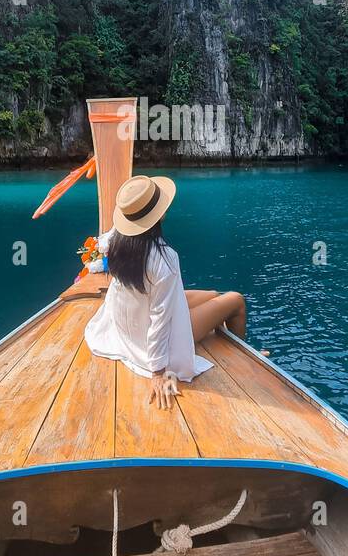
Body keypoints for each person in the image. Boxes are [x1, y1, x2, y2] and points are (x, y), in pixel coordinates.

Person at [84, 174, 247, 409]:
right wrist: (158, 372)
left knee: (213, 293)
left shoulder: (114, 240)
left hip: (128, 327)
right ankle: (241, 363)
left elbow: (102, 245)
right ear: (159, 214)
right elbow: (160, 320)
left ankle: (222, 338)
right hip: (154, 334)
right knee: (235, 300)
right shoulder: (164, 260)